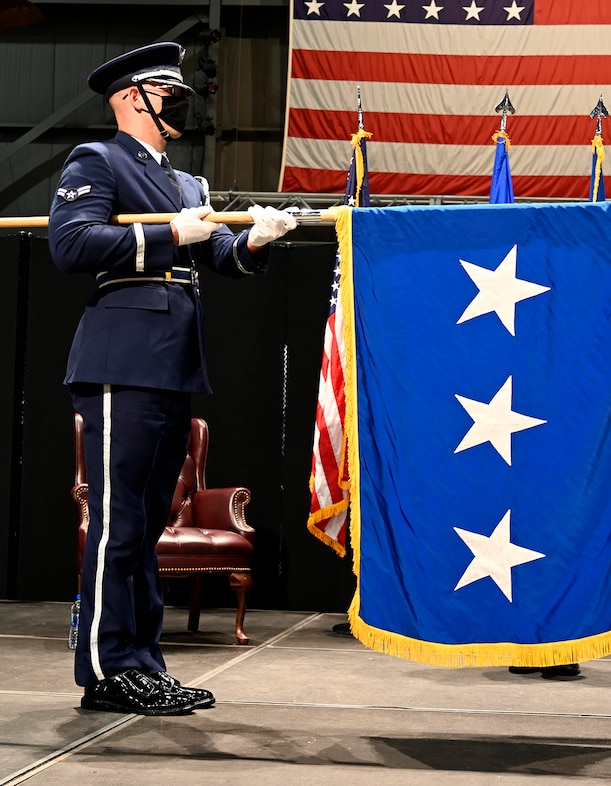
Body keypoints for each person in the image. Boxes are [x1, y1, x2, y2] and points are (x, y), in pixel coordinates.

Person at [48, 42, 297, 716]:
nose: (182, 103)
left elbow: (218, 251)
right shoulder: (97, 161)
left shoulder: (189, 187)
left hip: (170, 364)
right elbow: (70, 243)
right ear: (132, 98)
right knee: (116, 523)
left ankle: (142, 664)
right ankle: (104, 668)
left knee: (146, 526)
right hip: (118, 361)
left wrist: (254, 241)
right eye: (167, 93)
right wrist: (168, 237)